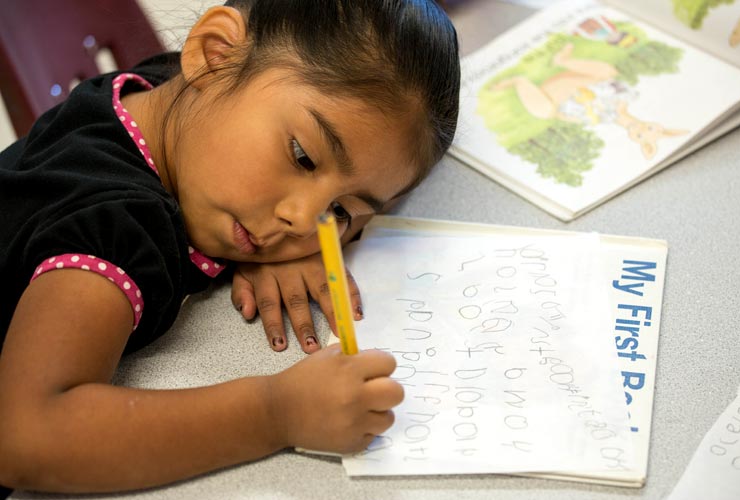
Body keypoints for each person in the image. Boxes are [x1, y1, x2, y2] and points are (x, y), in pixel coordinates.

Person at [0, 0, 460, 494]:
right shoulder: (113, 228)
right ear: (215, 53)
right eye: (304, 157)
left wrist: (255, 239)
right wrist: (277, 412)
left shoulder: (161, 90)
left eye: (339, 213)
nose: (302, 221)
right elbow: (26, 437)